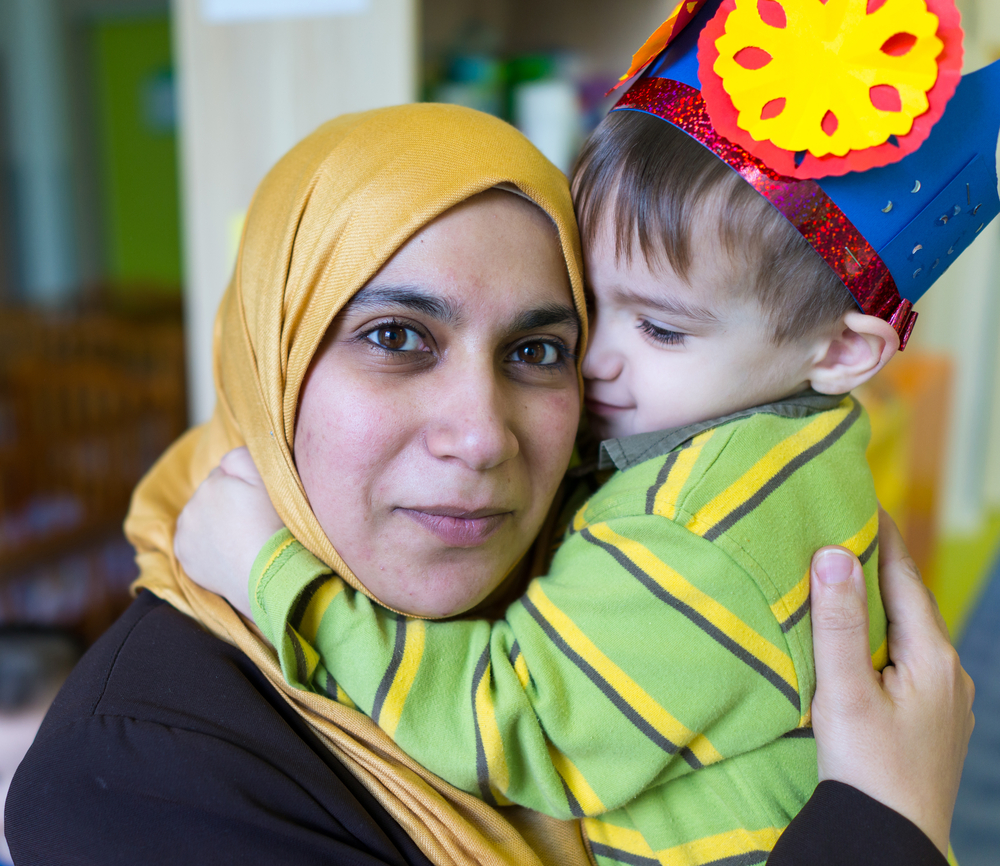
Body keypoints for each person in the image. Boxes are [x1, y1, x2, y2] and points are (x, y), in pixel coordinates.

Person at [5, 104, 972, 866]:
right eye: (395, 338)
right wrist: (887, 823)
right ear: (275, 351)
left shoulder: (640, 524)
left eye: (540, 348)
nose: (481, 436)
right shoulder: (130, 777)